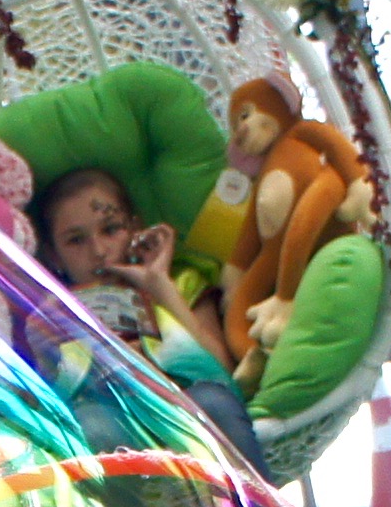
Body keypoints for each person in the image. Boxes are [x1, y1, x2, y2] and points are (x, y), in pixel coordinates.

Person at [32, 163, 267, 468]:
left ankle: (251, 501)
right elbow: (47, 411)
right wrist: (43, 349)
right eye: (76, 240)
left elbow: (221, 372)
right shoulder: (53, 315)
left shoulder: (180, 283)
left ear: (135, 228)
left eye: (111, 230)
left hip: (185, 404)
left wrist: (160, 286)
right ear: (53, 254)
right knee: (91, 427)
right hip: (111, 419)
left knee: (214, 400)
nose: (99, 250)